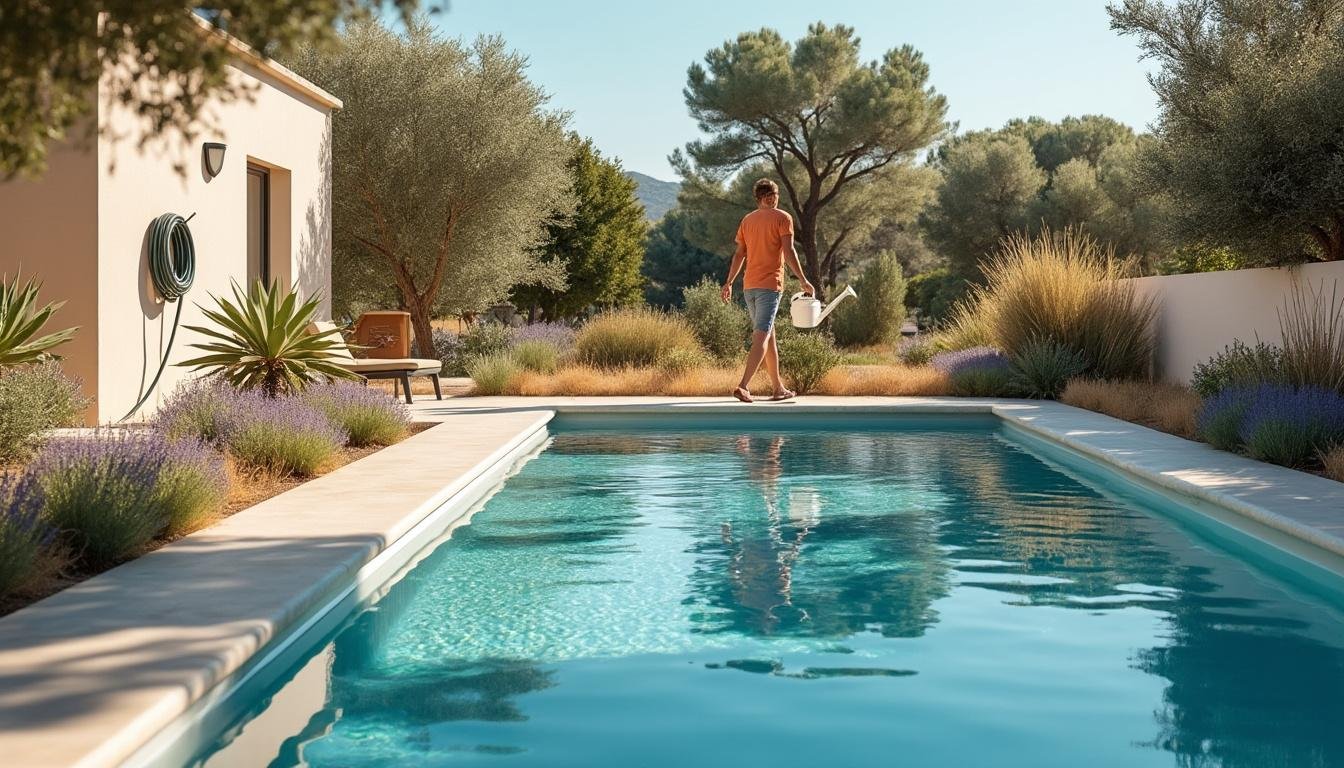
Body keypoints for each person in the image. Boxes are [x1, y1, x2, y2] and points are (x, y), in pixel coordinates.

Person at [720, 178, 815, 403]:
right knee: (762, 336)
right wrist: (803, 280)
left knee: (768, 335)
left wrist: (729, 282)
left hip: (749, 286)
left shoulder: (747, 220)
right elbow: (789, 251)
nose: (775, 199)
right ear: (770, 197)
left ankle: (778, 388)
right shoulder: (783, 218)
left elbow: (739, 254)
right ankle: (743, 386)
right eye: (775, 195)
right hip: (770, 286)